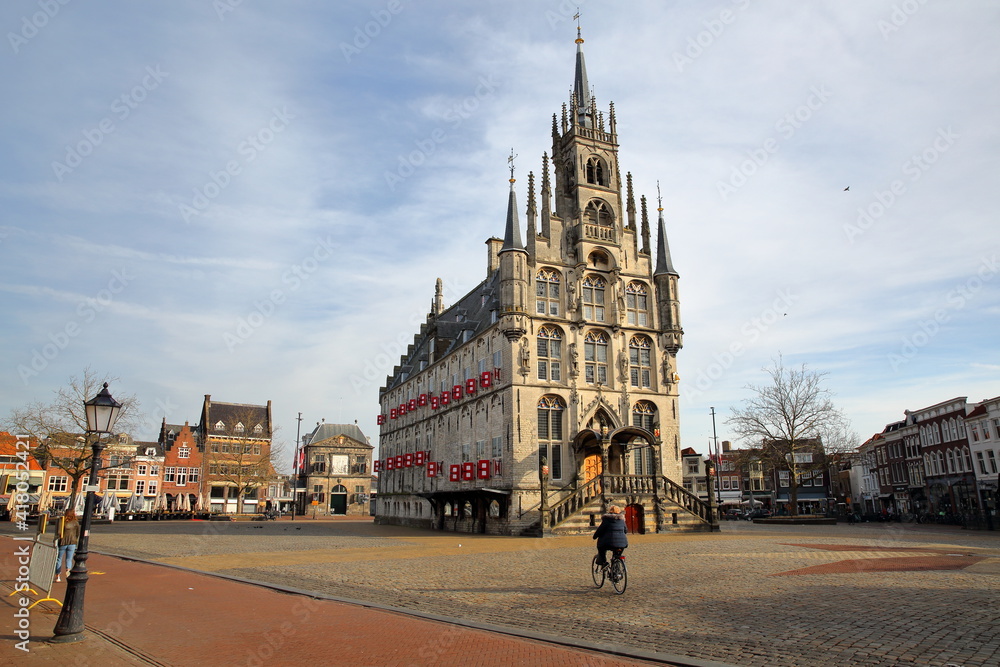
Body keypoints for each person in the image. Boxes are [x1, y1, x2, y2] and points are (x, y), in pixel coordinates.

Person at [55, 509, 80, 583]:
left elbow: (59, 532)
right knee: (69, 559)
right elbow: (77, 533)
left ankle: (58, 576)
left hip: (63, 542)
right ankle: (68, 571)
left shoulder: (63, 522)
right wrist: (75, 540)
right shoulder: (76, 522)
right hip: (72, 542)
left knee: (59, 559)